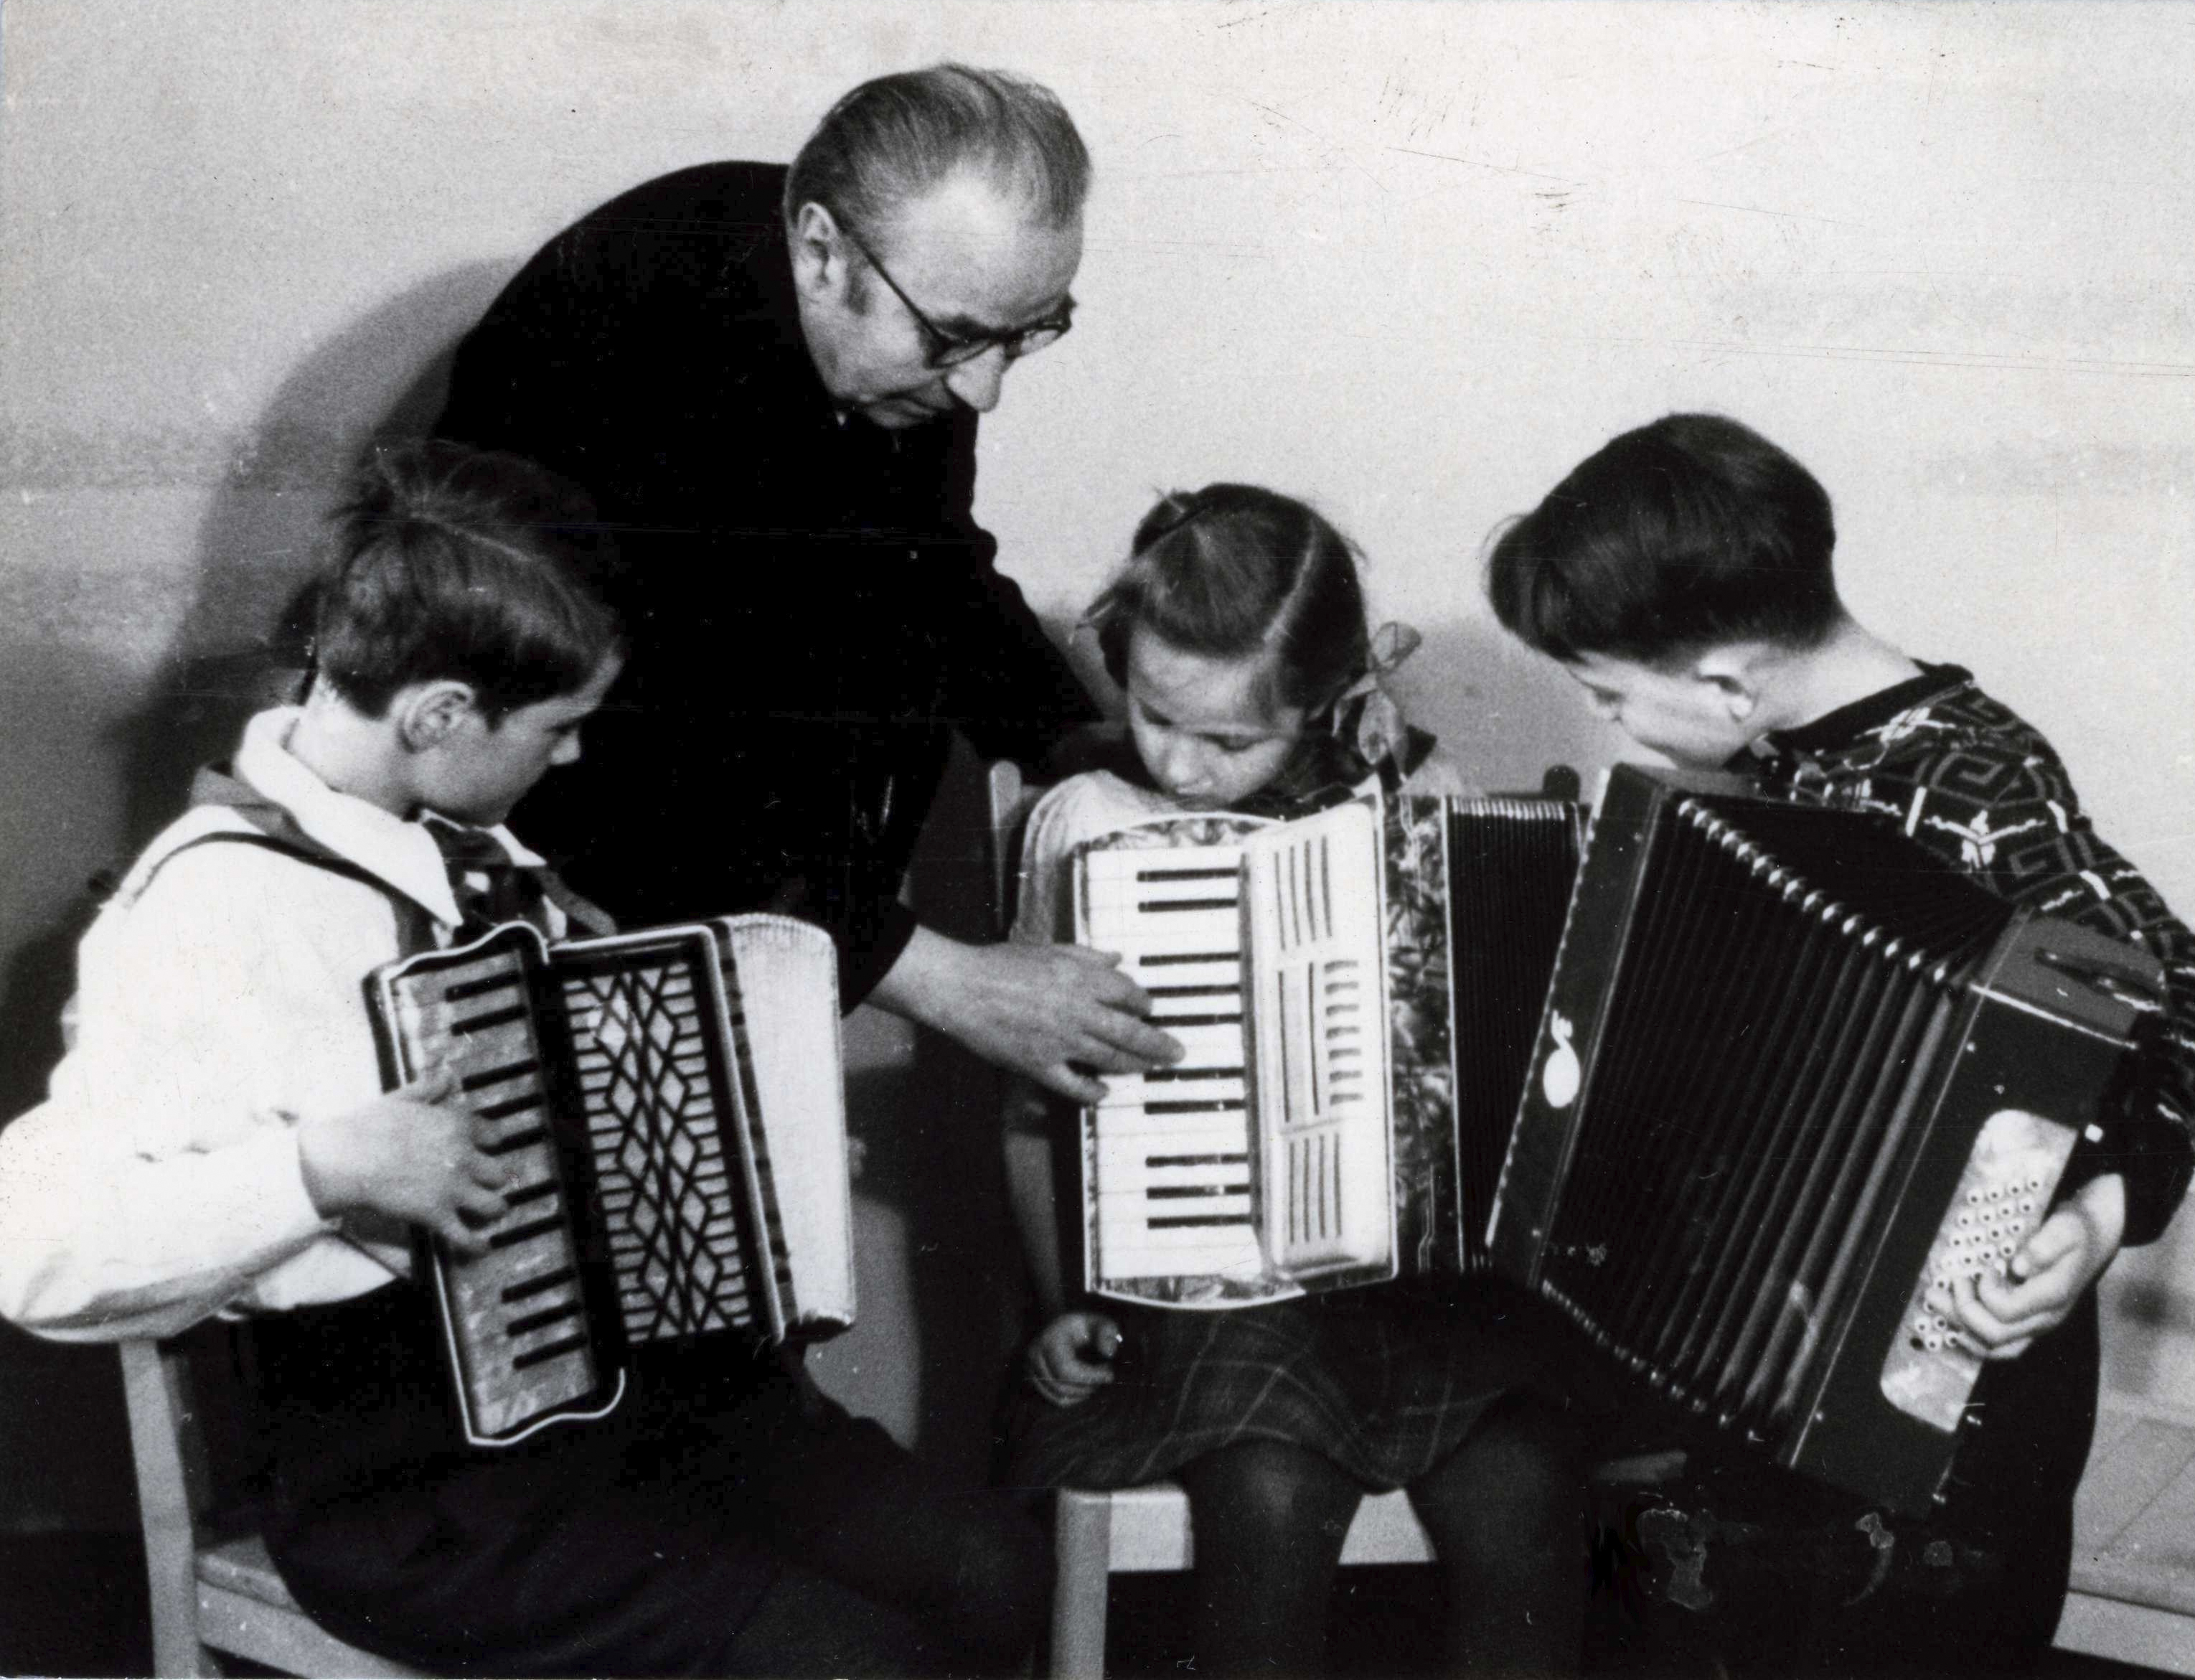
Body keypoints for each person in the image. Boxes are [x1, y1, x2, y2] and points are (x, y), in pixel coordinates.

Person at [0, 441, 1050, 1677]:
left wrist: (730, 1152)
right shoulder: (209, 909)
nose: (570, 759)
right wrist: (322, 1170)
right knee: (854, 1660)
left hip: (631, 1422)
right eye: (558, 727)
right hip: (418, 1495)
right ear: (440, 715)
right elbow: (34, 1246)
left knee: (994, 1568)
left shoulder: (462, 842)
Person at [1485, 412, 2195, 1676]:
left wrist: (2110, 1208)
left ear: (1727, 680)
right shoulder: (1787, 758)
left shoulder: (1977, 779)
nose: (1607, 720)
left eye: (1607, 691)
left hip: (1957, 1392)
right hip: (1790, 1371)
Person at [433, 63, 1175, 1109]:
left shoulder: (914, 304)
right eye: (957, 339)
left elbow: (932, 559)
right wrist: (944, 978)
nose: (985, 388)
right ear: (821, 251)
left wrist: (1068, 736)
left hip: (778, 915)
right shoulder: (632, 349)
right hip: (591, 927)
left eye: (1025, 334)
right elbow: (626, 775)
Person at [999, 486, 1589, 1678]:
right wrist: (1059, 1302)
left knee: (1528, 1485)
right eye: (1154, 714)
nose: (1178, 763)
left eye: (1229, 740)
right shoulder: (1085, 822)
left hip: (1400, 1294)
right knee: (1269, 1494)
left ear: (1328, 702)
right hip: (1187, 1296)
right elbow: (1023, 1113)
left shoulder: (1419, 798)